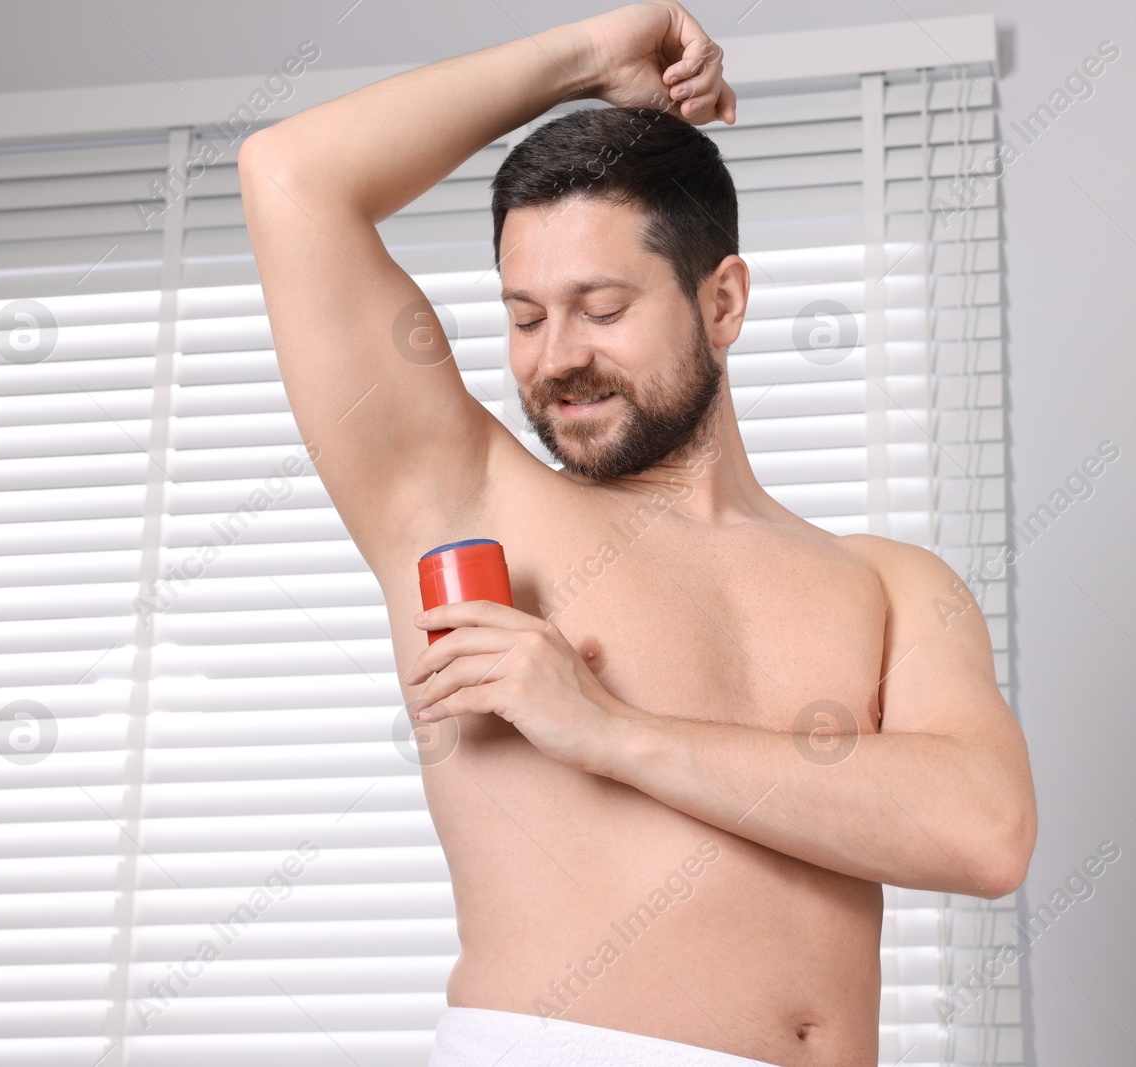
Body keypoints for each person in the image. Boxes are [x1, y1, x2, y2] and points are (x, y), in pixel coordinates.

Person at [239, 2, 1035, 1063]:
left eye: (600, 309)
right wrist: (587, 54)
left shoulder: (888, 584)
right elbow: (290, 175)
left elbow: (982, 832)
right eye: (524, 316)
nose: (554, 355)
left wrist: (611, 731)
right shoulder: (462, 497)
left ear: (724, 302)